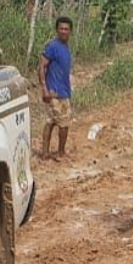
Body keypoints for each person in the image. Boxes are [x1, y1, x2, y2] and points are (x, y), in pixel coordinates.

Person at [39, 16, 74, 159]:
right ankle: (60, 152)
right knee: (63, 124)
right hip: (55, 92)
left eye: (66, 29)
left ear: (70, 31)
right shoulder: (52, 46)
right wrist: (44, 88)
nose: (64, 31)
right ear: (57, 30)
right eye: (61, 29)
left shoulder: (65, 47)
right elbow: (41, 67)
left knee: (51, 121)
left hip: (63, 91)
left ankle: (46, 153)